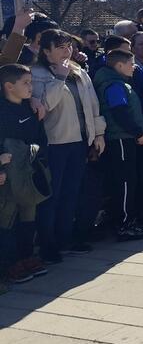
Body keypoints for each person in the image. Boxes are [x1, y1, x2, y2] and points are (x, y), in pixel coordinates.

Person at [30, 30, 106, 264]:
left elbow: (92, 103)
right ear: (46, 51)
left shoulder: (79, 71)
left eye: (69, 46)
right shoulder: (36, 74)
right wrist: (59, 79)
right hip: (55, 143)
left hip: (79, 140)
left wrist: (99, 131)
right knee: (53, 196)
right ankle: (48, 244)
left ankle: (65, 239)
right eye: (61, 47)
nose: (67, 51)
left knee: (72, 193)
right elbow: (44, 107)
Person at [0, 64, 50, 283]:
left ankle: (27, 256)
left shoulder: (30, 108)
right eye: (26, 83)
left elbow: (40, 138)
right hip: (8, 173)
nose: (32, 88)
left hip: (28, 171)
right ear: (9, 86)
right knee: (7, 215)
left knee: (29, 213)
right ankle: (10, 264)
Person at [93, 48, 143, 241]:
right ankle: (124, 223)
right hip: (121, 139)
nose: (134, 67)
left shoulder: (119, 83)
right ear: (119, 65)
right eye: (130, 64)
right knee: (125, 181)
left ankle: (128, 218)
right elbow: (120, 112)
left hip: (124, 138)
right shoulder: (115, 86)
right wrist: (138, 132)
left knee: (127, 180)